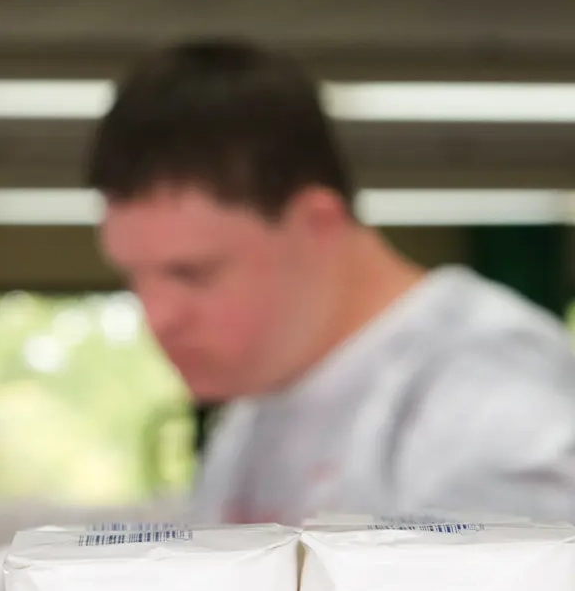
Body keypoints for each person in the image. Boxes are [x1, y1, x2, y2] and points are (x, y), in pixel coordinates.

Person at [88, 40, 575, 526]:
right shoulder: (260, 402)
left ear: (317, 223)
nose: (159, 317)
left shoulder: (484, 402)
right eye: (134, 276)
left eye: (193, 274)